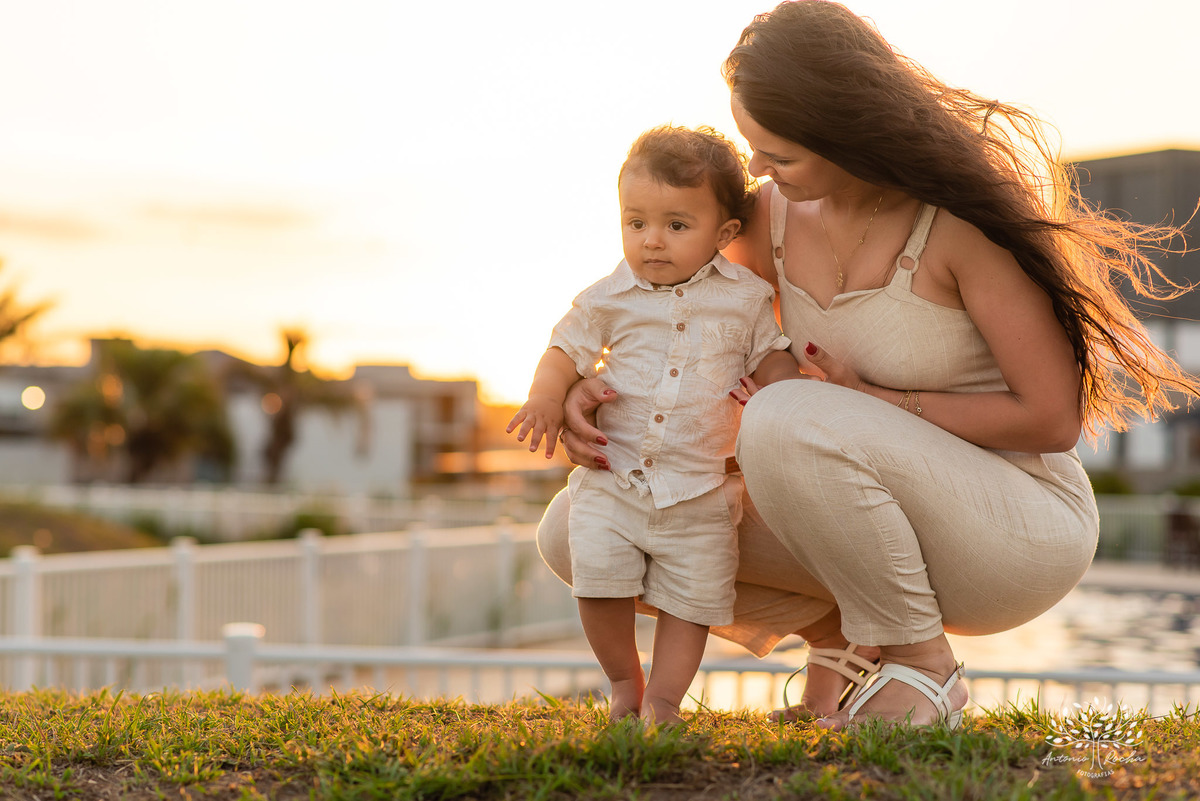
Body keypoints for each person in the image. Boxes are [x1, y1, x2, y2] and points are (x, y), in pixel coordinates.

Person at [537, 0, 1200, 730]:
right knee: (576, 526)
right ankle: (839, 639)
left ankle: (925, 665)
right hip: (866, 514)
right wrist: (578, 387)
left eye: (777, 153)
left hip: (1015, 524)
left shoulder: (956, 227)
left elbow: (1052, 418)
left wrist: (877, 399)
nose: (755, 167)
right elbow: (657, 307)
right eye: (751, 145)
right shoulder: (764, 219)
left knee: (784, 415)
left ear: (841, 133)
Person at [507, 125, 797, 724]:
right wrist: (544, 397)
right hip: (614, 477)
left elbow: (773, 352)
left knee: (690, 603)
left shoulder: (746, 297)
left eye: (676, 225)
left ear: (724, 233)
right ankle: (624, 683)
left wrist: (776, 380)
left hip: (701, 491)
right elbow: (564, 351)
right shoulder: (609, 297)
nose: (652, 241)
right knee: (598, 583)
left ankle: (664, 701)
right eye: (636, 223)